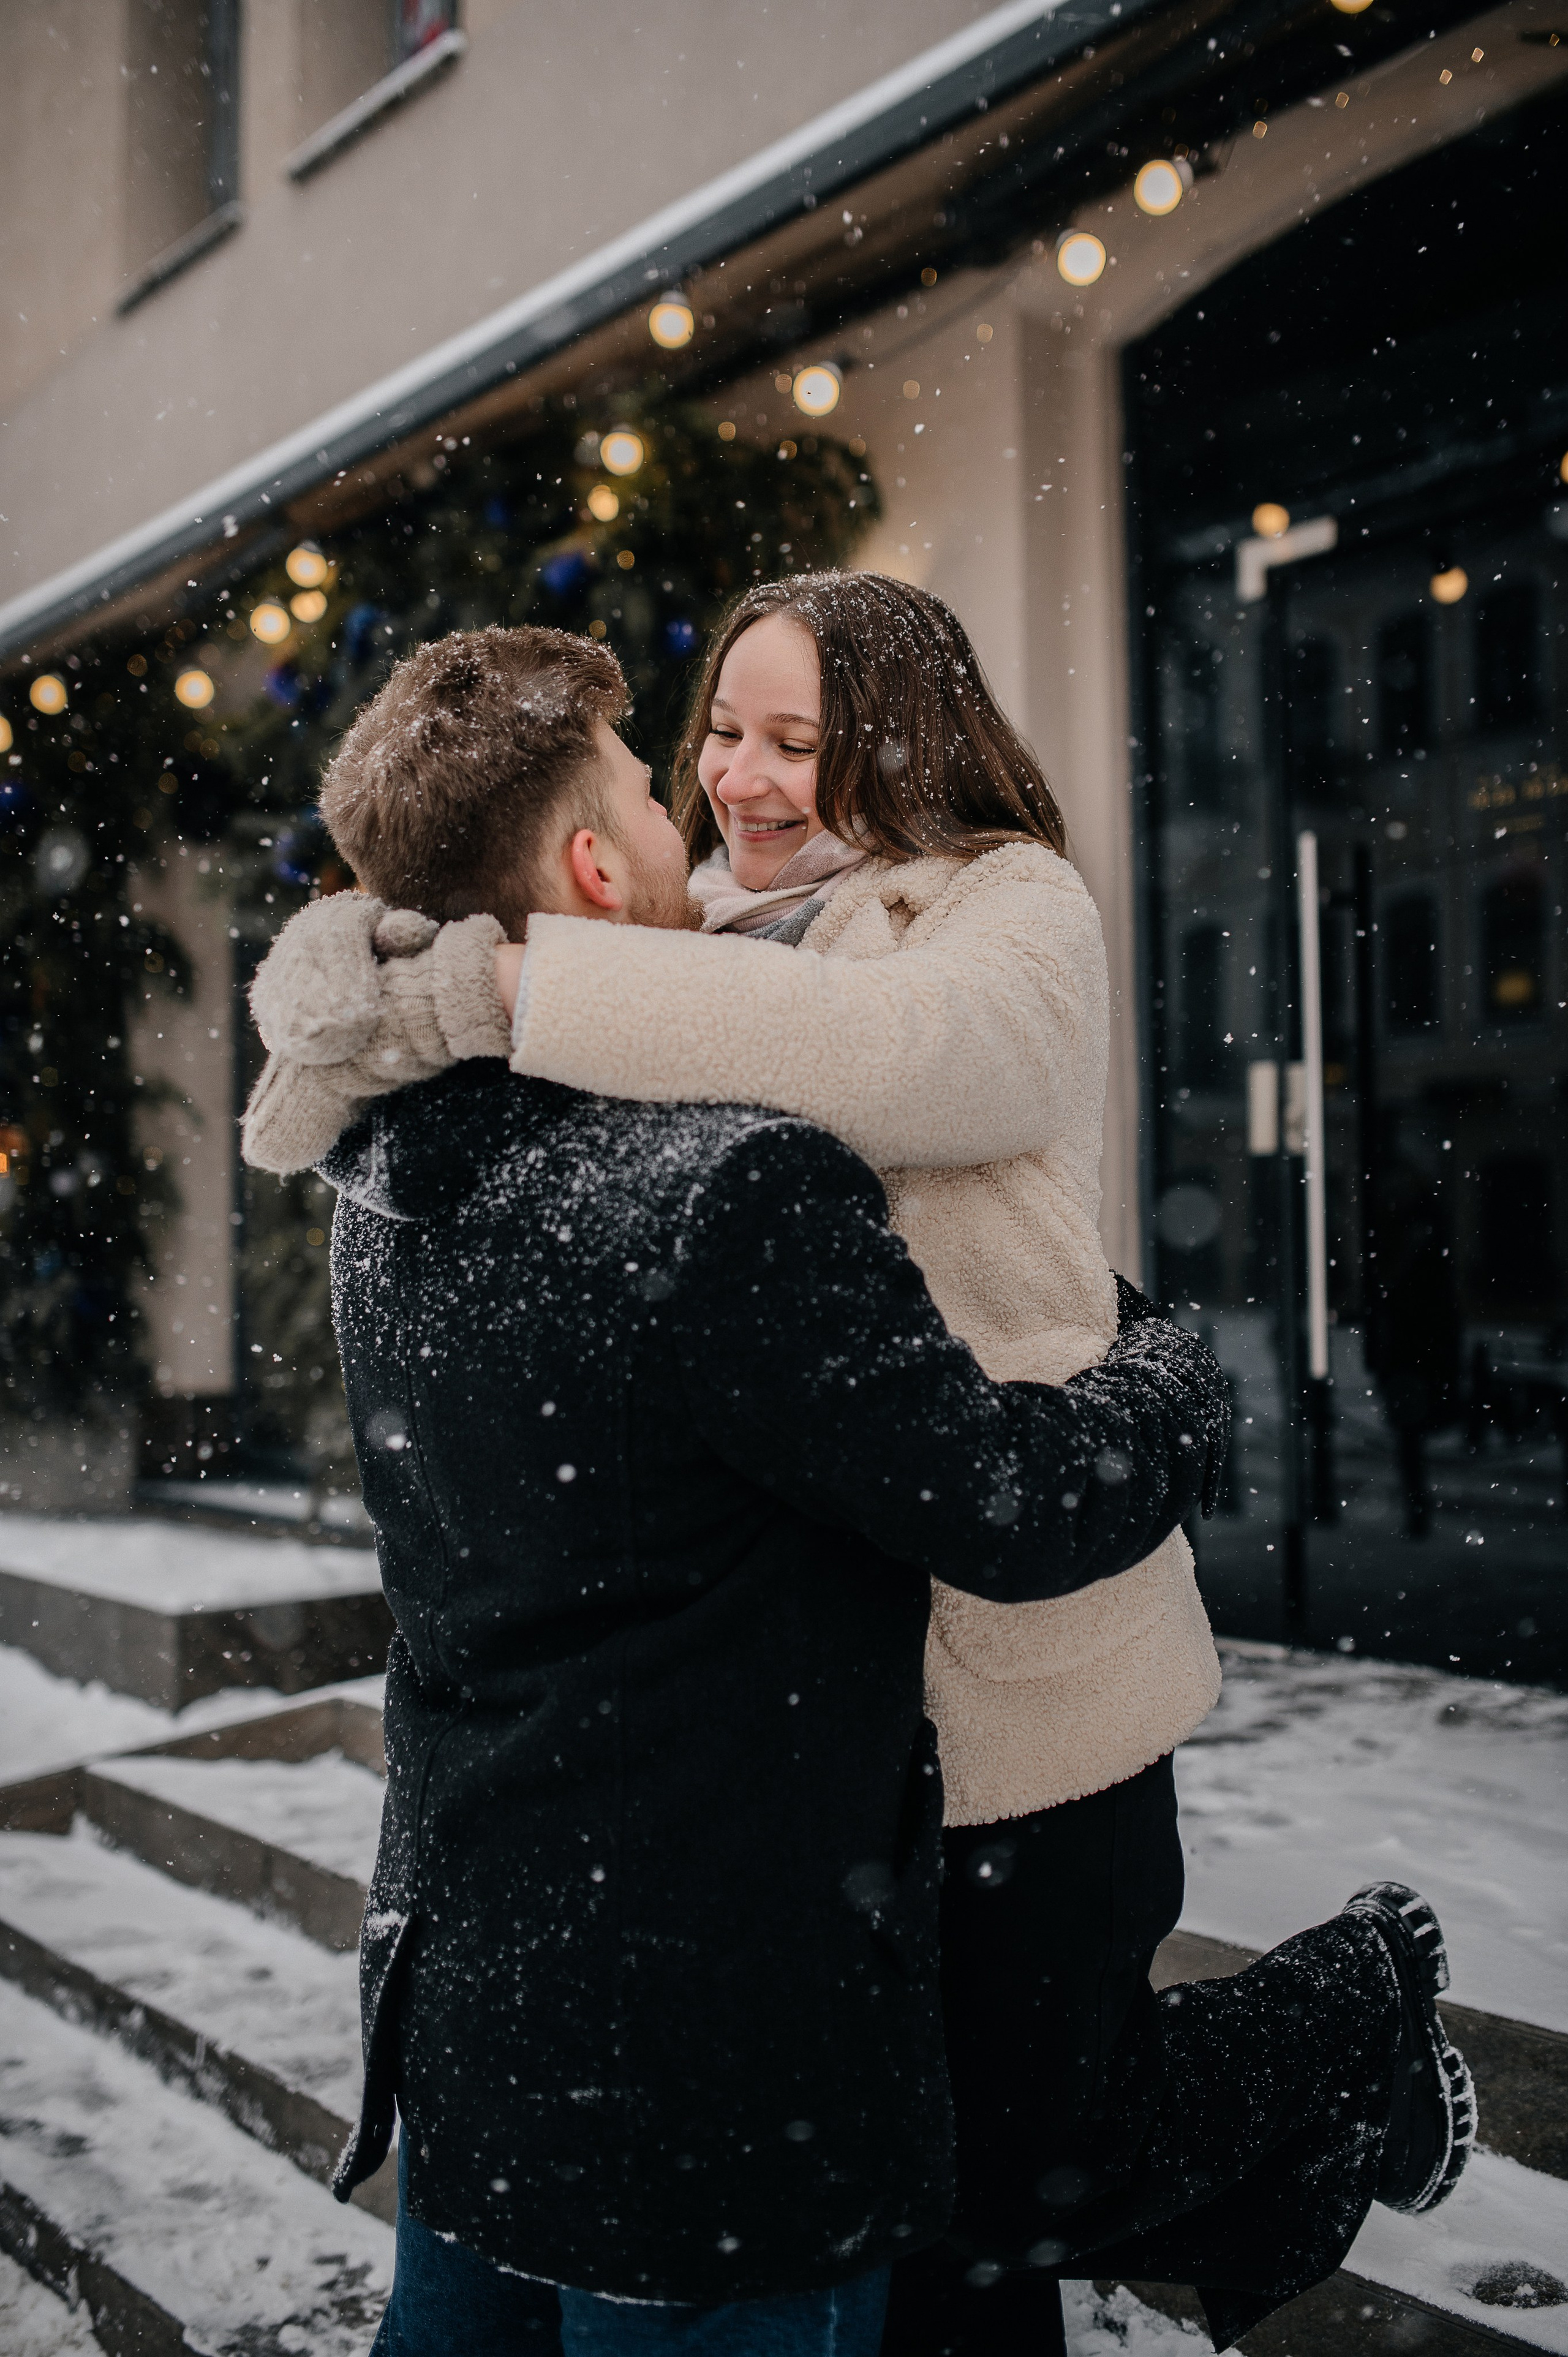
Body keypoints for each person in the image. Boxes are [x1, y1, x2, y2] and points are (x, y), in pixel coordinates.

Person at [247, 617, 1474, 2356]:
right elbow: (912, 1406)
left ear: (905, 739)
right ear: (609, 854)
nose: (732, 781)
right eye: (710, 739)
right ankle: (1344, 2069)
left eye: (793, 738)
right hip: (821, 1749)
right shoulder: (685, 1058)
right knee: (975, 2216)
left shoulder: (998, 910)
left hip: (997, 1696)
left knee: (1016, 2173)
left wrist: (477, 981)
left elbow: (921, 1057)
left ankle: (1350, 2038)